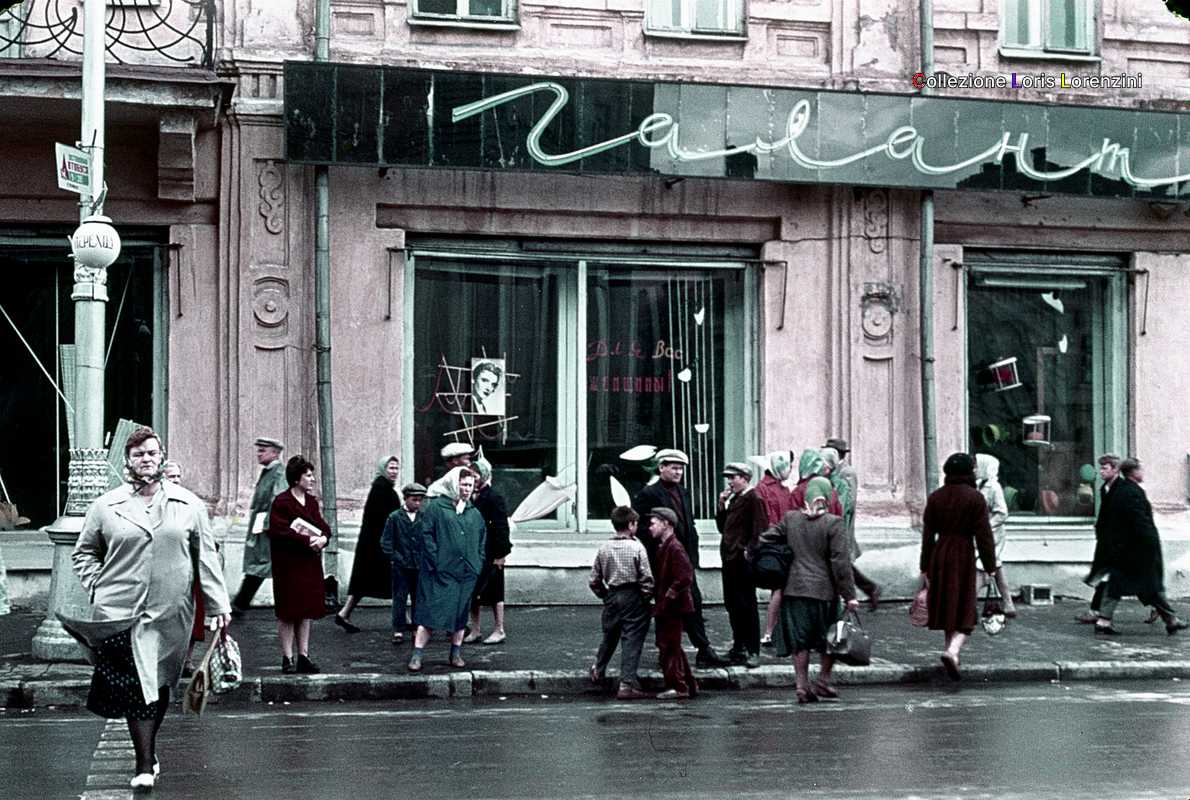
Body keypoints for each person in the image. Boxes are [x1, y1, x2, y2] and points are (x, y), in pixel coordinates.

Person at [69, 427, 231, 790]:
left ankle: (149, 750)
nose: (146, 459)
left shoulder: (187, 505)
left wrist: (218, 605)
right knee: (136, 686)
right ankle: (144, 763)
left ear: (162, 457)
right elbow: (84, 552)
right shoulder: (106, 506)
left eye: (152, 453)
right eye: (138, 454)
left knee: (159, 685)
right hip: (121, 613)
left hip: (171, 612)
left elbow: (206, 557)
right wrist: (97, 586)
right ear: (127, 461)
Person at [758, 476, 858, 704]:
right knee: (831, 639)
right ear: (827, 496)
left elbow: (765, 538)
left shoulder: (791, 519)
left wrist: (776, 558)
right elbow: (840, 562)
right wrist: (849, 595)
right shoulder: (834, 523)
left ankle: (801, 686)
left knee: (800, 641)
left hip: (794, 591)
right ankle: (823, 680)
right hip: (824, 592)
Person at [631, 448, 729, 668]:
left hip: (683, 558)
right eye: (674, 468)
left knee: (693, 603)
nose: (678, 473)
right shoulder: (649, 493)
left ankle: (703, 650)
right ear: (661, 468)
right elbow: (640, 527)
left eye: (681, 469)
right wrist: (657, 546)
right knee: (665, 607)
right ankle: (668, 653)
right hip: (663, 560)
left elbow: (688, 523)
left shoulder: (683, 492)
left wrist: (692, 555)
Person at [920, 452, 998, 680]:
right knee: (965, 606)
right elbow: (984, 535)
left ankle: (950, 654)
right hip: (963, 553)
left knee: (947, 604)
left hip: (940, 553)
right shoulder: (975, 498)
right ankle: (953, 651)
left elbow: (927, 535)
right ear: (968, 472)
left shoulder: (936, 497)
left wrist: (925, 565)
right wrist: (990, 565)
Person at [1092, 458, 1188, 636]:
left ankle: (1104, 621)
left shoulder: (1121, 490)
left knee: (1119, 583)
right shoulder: (1132, 492)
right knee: (1149, 585)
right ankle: (1171, 620)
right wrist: (1151, 544)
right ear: (1133, 472)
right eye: (1140, 470)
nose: (1143, 473)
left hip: (1124, 548)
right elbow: (1140, 522)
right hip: (1136, 549)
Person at [409, 466, 486, 672]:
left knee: (460, 616)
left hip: (465, 574)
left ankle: (455, 653)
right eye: (463, 484)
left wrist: (476, 563)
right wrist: (436, 561)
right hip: (439, 573)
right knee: (430, 614)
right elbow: (426, 535)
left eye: (470, 485)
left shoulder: (474, 513)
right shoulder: (437, 507)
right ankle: (417, 655)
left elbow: (481, 540)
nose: (467, 489)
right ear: (454, 484)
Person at [267, 455, 332, 675]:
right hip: (288, 565)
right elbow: (279, 532)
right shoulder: (282, 502)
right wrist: (308, 540)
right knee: (287, 611)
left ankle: (304, 655)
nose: (312, 479)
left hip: (308, 564)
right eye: (308, 475)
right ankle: (287, 657)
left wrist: (324, 539)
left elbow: (323, 526)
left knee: (305, 610)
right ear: (296, 478)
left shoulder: (311, 502)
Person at [588, 506, 654, 700]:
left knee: (610, 635)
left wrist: (605, 595)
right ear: (631, 525)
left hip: (612, 594)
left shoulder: (604, 548)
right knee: (632, 638)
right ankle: (626, 683)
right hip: (633, 594)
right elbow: (646, 578)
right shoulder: (637, 547)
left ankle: (598, 669)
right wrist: (646, 597)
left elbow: (594, 579)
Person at [336, 455, 402, 633]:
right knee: (396, 579)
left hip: (373, 544)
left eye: (396, 468)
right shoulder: (383, 490)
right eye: (391, 468)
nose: (394, 472)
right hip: (378, 545)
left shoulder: (382, 488)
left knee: (366, 582)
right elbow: (389, 519)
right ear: (383, 469)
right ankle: (403, 617)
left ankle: (344, 613)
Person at [715, 462, 765, 668]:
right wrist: (721, 504)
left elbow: (760, 530)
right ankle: (738, 647)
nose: (730, 482)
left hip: (742, 561)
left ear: (744, 478)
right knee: (733, 605)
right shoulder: (735, 499)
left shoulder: (754, 498)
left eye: (733, 478)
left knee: (747, 606)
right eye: (728, 478)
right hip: (729, 559)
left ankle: (753, 650)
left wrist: (748, 551)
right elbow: (722, 528)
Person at [821, 443, 882, 610]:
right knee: (843, 563)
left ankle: (860, 593)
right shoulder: (835, 471)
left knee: (842, 563)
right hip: (837, 524)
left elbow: (848, 501)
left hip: (842, 524)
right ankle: (869, 589)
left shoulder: (847, 472)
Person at [231, 436, 288, 616]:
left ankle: (241, 603)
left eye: (263, 451)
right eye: (259, 450)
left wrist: (268, 525)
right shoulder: (269, 471)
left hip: (268, 529)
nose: (259, 454)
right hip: (262, 527)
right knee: (262, 565)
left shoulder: (278, 473)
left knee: (262, 565)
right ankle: (241, 603)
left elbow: (277, 501)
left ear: (275, 453)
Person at [649, 507, 699, 700]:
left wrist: (669, 596)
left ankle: (678, 686)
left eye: (653, 523)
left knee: (668, 646)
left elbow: (685, 576)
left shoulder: (675, 548)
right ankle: (689, 684)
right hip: (669, 605)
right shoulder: (666, 546)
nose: (650, 527)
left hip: (672, 607)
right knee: (673, 645)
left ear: (666, 524)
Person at [465, 456, 513, 645]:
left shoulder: (494, 497)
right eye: (471, 475)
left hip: (492, 552)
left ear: (484, 475)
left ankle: (499, 629)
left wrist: (501, 555)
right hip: (474, 552)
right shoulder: (469, 496)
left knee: (495, 592)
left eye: (476, 475)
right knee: (473, 592)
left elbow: (502, 527)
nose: (473, 478)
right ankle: (475, 629)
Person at [754, 451, 793, 648]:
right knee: (779, 588)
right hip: (774, 545)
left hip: (780, 543)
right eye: (788, 466)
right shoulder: (764, 489)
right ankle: (770, 632)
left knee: (781, 589)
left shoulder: (780, 489)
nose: (790, 470)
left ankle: (774, 632)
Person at [1077, 453, 1122, 625]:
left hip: (1119, 542)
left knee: (1122, 578)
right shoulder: (1105, 488)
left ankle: (1160, 607)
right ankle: (1096, 611)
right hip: (1108, 541)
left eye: (1105, 468)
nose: (1101, 471)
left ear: (1115, 469)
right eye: (1101, 468)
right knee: (1107, 576)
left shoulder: (1122, 489)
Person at [381, 482, 427, 644]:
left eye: (420, 500)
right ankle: (398, 629)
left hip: (419, 565)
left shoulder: (424, 517)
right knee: (399, 598)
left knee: (418, 598)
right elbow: (386, 542)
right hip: (401, 567)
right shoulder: (394, 517)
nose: (417, 503)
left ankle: (416, 627)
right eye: (414, 500)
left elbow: (428, 539)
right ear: (405, 499)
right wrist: (396, 557)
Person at [974, 453, 1017, 618]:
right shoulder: (979, 485)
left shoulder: (994, 487)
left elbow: (1002, 512)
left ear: (985, 467)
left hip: (993, 534)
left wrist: (987, 526)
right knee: (996, 566)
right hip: (981, 533)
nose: (974, 469)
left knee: (980, 565)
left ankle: (969, 605)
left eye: (977, 466)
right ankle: (1008, 603)